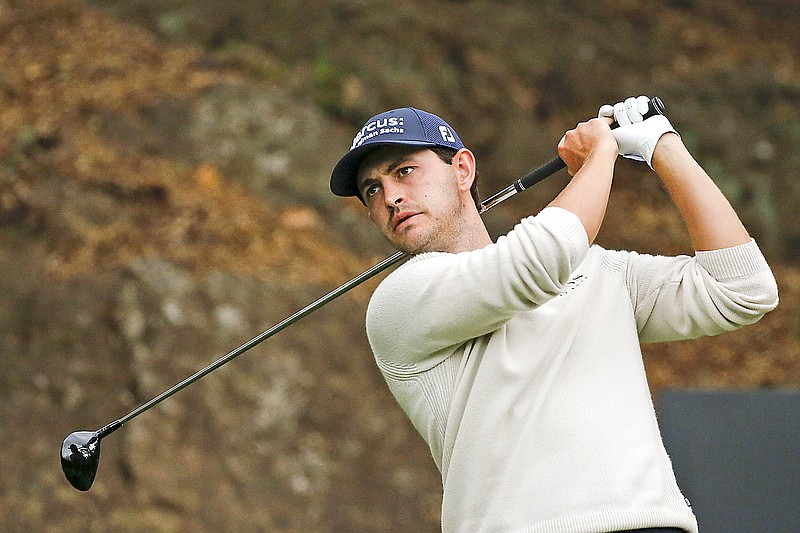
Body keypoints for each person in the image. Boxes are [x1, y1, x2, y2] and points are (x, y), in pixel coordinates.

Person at [329, 97, 779, 533]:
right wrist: (601, 154)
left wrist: (662, 145)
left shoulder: (599, 270)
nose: (390, 196)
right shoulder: (399, 301)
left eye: (404, 172)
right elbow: (534, 263)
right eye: (372, 189)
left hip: (651, 523)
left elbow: (741, 290)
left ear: (462, 169)